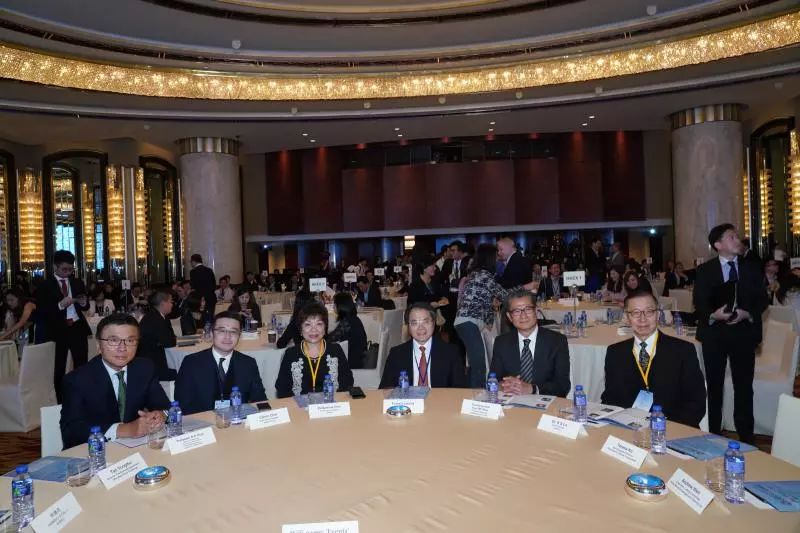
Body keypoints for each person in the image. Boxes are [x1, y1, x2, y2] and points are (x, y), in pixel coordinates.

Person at [693, 223, 768, 444]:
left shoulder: (751, 268)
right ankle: (713, 433)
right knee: (714, 386)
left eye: (737, 236)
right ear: (718, 245)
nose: (738, 240)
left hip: (743, 335)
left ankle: (746, 436)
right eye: (732, 237)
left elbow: (762, 300)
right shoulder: (705, 270)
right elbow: (699, 303)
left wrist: (747, 313)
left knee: (744, 387)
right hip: (714, 335)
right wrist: (714, 315)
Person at [60, 314, 170, 449]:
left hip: (135, 449)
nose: (122, 348)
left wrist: (160, 415)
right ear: (98, 345)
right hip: (95, 453)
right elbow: (71, 432)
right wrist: (125, 429)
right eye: (113, 340)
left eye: (130, 340)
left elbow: (165, 406)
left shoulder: (144, 368)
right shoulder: (78, 379)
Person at [601, 291, 706, 427]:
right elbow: (610, 399)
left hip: (672, 430)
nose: (643, 319)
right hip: (627, 431)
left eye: (649, 311)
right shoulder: (615, 353)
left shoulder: (683, 351)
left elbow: (696, 403)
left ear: (658, 314)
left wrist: (663, 429)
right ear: (627, 317)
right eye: (636, 313)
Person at [455, 244, 539, 388]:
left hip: (467, 322)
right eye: (496, 257)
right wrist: (526, 287)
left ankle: (474, 392)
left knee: (476, 362)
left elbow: (486, 297)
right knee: (479, 363)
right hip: (468, 322)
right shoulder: (483, 275)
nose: (498, 260)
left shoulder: (477, 274)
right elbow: (504, 294)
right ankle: (477, 394)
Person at [175, 311, 267, 413]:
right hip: (202, 421)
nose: (228, 336)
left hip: (238, 420)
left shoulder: (248, 363)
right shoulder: (191, 363)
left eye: (233, 332)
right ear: (211, 333)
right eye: (222, 331)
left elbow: (260, 400)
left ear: (239, 336)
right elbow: (183, 405)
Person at [489, 289, 571, 397]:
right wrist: (501, 385)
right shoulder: (501, 342)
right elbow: (493, 379)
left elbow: (563, 386)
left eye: (528, 309)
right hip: (511, 401)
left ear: (536, 311)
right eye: (517, 311)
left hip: (544, 402)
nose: (523, 315)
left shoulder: (557, 341)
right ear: (509, 317)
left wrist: (532, 389)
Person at [38, 250, 91, 403]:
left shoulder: (77, 282)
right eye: (64, 269)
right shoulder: (45, 285)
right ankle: (61, 403)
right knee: (59, 368)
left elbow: (85, 305)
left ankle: (83, 399)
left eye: (70, 269)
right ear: (55, 267)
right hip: (57, 331)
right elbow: (42, 312)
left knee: (82, 366)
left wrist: (84, 303)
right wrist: (60, 305)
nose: (68, 272)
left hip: (77, 327)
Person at [275, 302, 354, 398]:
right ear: (300, 329)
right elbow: (282, 389)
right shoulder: (291, 354)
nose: (313, 330)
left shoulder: (335, 350)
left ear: (325, 328)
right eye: (307, 324)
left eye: (319, 324)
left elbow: (347, 382)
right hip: (298, 406)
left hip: (331, 405)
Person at [379, 302, 465, 388]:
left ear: (434, 323)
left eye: (426, 322)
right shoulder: (396, 354)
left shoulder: (451, 352)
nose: (421, 328)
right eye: (414, 323)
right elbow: (385, 388)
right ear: (408, 327)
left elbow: (459, 389)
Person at [137, 289, 178, 381]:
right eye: (171, 302)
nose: (172, 304)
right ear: (163, 303)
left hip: (155, 359)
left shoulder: (158, 316)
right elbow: (169, 342)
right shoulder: (155, 319)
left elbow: (171, 337)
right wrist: (172, 338)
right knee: (184, 371)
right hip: (152, 365)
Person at [327, 293, 368, 369]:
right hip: (359, 359)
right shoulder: (354, 319)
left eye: (335, 304)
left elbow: (330, 339)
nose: (333, 306)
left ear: (341, 306)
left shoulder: (347, 322)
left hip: (352, 363)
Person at [189, 253, 217, 320]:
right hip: (211, 299)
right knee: (210, 318)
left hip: (199, 300)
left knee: (199, 319)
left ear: (193, 261)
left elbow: (193, 287)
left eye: (191, 262)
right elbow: (214, 285)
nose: (191, 264)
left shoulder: (193, 272)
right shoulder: (209, 270)